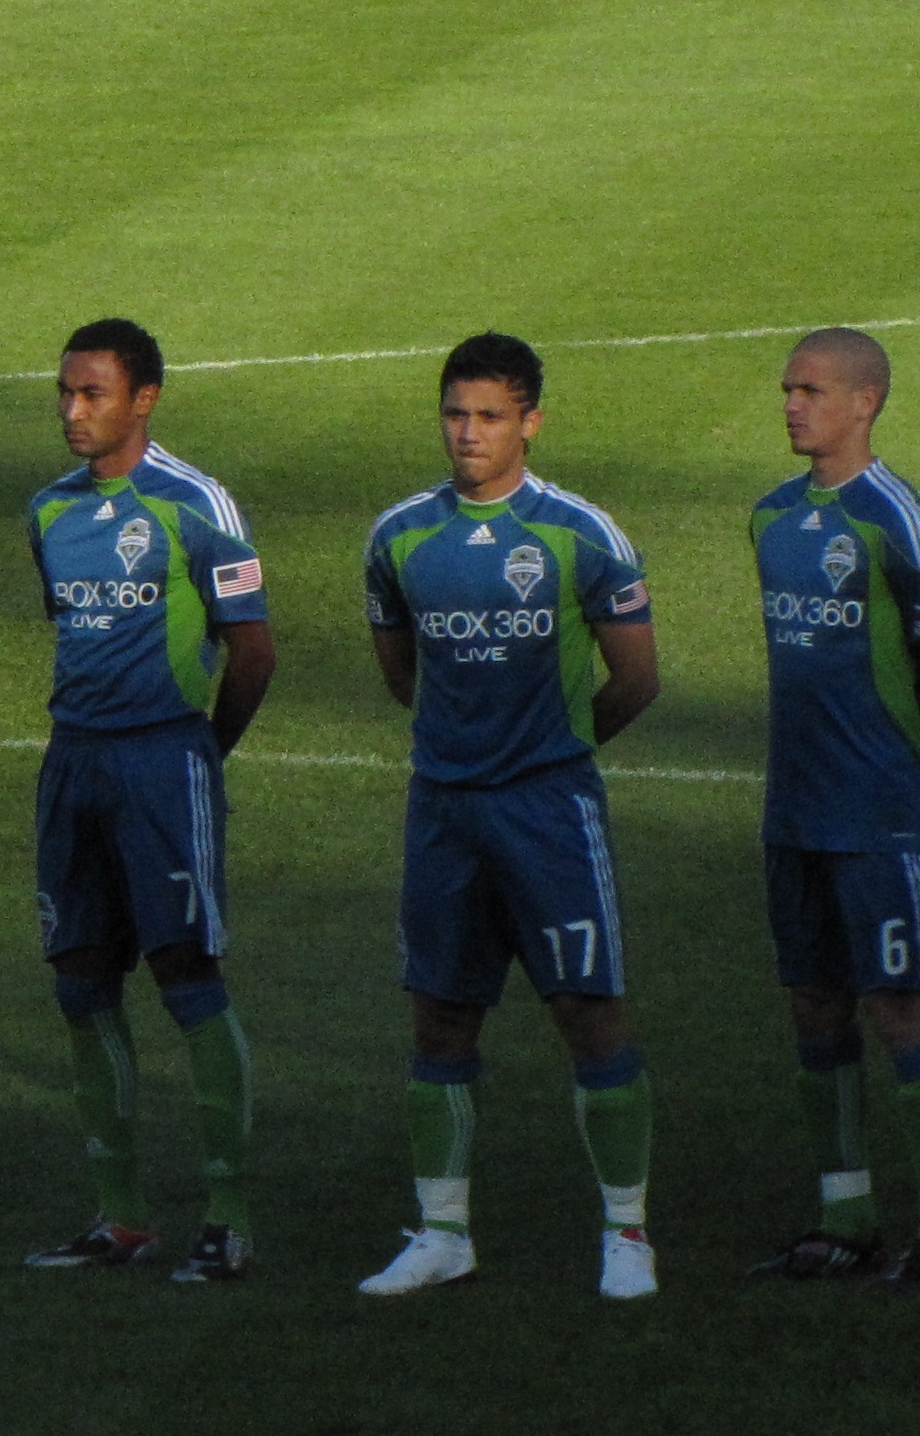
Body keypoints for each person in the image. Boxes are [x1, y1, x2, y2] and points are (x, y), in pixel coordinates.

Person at [356, 332, 663, 1302]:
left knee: (587, 1012)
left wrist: (552, 752)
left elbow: (635, 678)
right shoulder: (398, 536)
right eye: (454, 413)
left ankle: (626, 1233)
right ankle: (441, 1231)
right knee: (439, 1017)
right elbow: (402, 673)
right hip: (443, 809)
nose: (467, 433)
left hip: (546, 810)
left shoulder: (580, 534)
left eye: (488, 415)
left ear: (528, 420)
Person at [18, 318, 273, 1285]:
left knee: (185, 976)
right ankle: (118, 1216)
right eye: (65, 391)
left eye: (91, 393)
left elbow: (250, 649)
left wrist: (202, 753)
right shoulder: (47, 510)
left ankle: (229, 1218)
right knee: (80, 982)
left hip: (163, 763)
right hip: (72, 762)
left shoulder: (193, 502)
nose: (71, 410)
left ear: (144, 399)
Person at [741, 330, 920, 1290]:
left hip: (878, 806)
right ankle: (844, 1216)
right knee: (812, 1000)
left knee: (899, 1002)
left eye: (812, 389)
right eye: (788, 388)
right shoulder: (767, 517)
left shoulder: (898, 520)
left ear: (865, 400)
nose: (793, 404)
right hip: (793, 805)